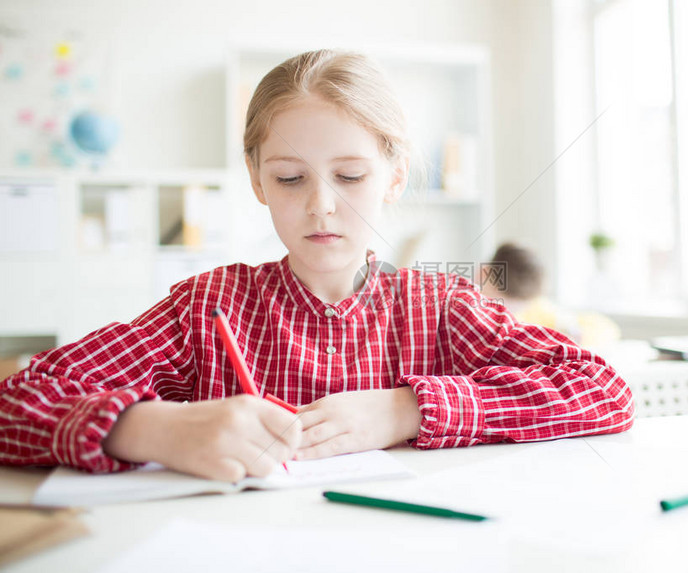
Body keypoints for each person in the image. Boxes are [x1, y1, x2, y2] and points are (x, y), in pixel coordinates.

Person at [0, 49, 634, 483]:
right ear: (256, 180)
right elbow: (14, 404)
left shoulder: (441, 306)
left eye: (351, 176)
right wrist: (146, 430)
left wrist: (407, 411)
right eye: (289, 177)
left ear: (394, 177)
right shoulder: (207, 308)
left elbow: (604, 390)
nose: (321, 205)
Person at [481, 242, 622, 348]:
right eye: (511, 302)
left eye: (520, 304)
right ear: (485, 273)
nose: (513, 310)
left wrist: (574, 335)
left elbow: (608, 328)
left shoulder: (535, 306)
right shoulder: (478, 312)